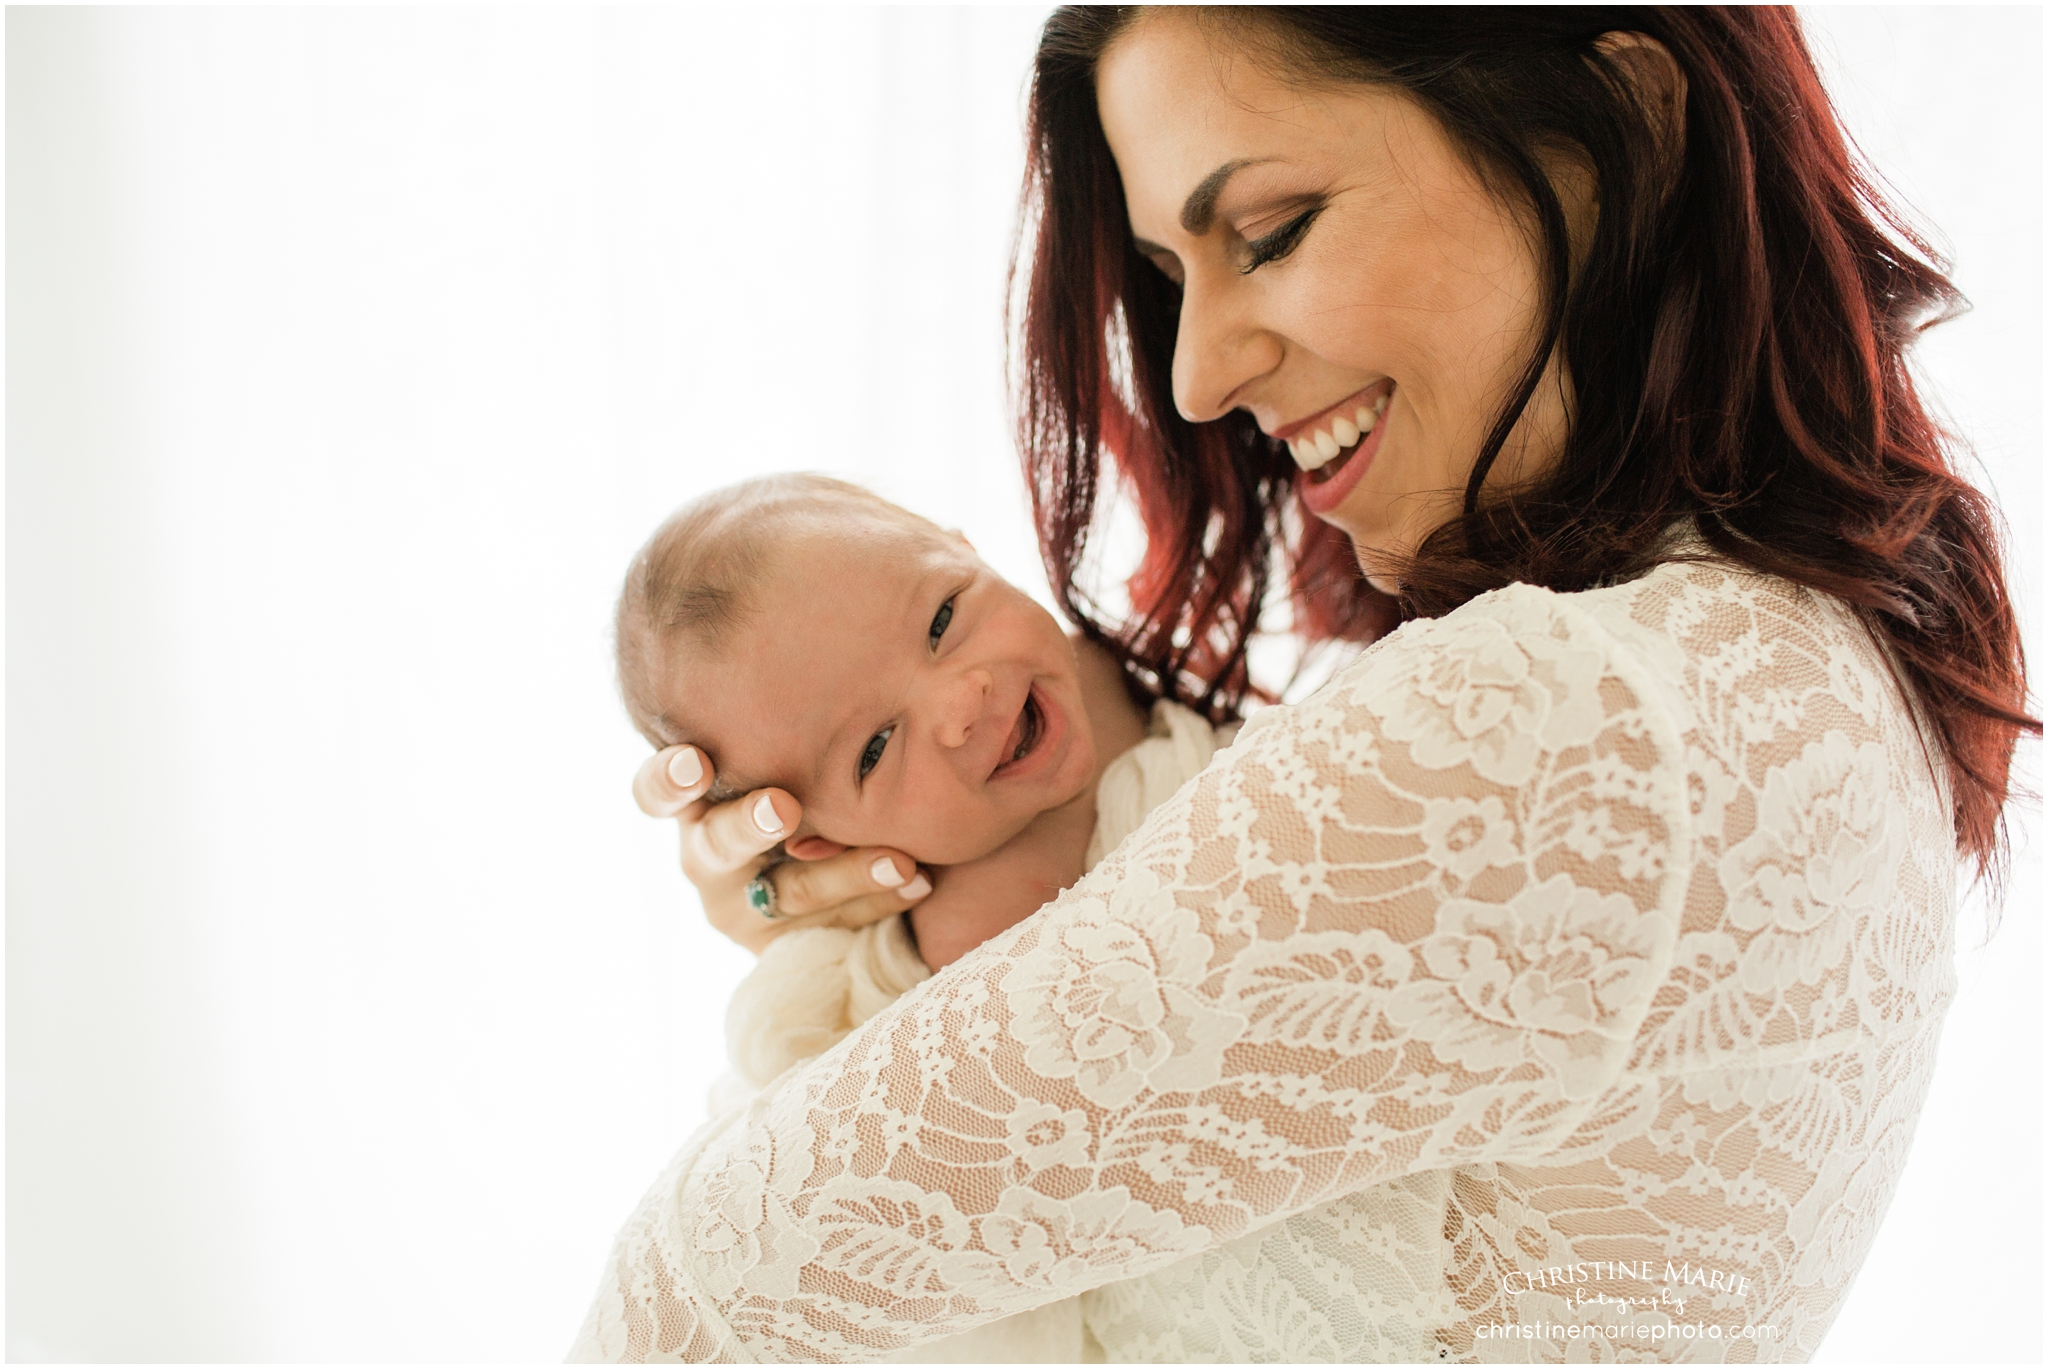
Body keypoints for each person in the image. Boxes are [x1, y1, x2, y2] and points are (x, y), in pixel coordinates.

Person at [574, 8, 2036, 1361]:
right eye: (1166, 279)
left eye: (1269, 231)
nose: (1197, 374)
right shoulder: (1789, 655)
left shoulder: (1561, 719)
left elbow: (690, 1293)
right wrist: (842, 947)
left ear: (1617, 128)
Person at [614, 472, 1248, 1358]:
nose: (962, 701)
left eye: (943, 618)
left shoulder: (1111, 658)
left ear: (963, 543)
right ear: (824, 845)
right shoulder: (958, 932)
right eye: (875, 748)